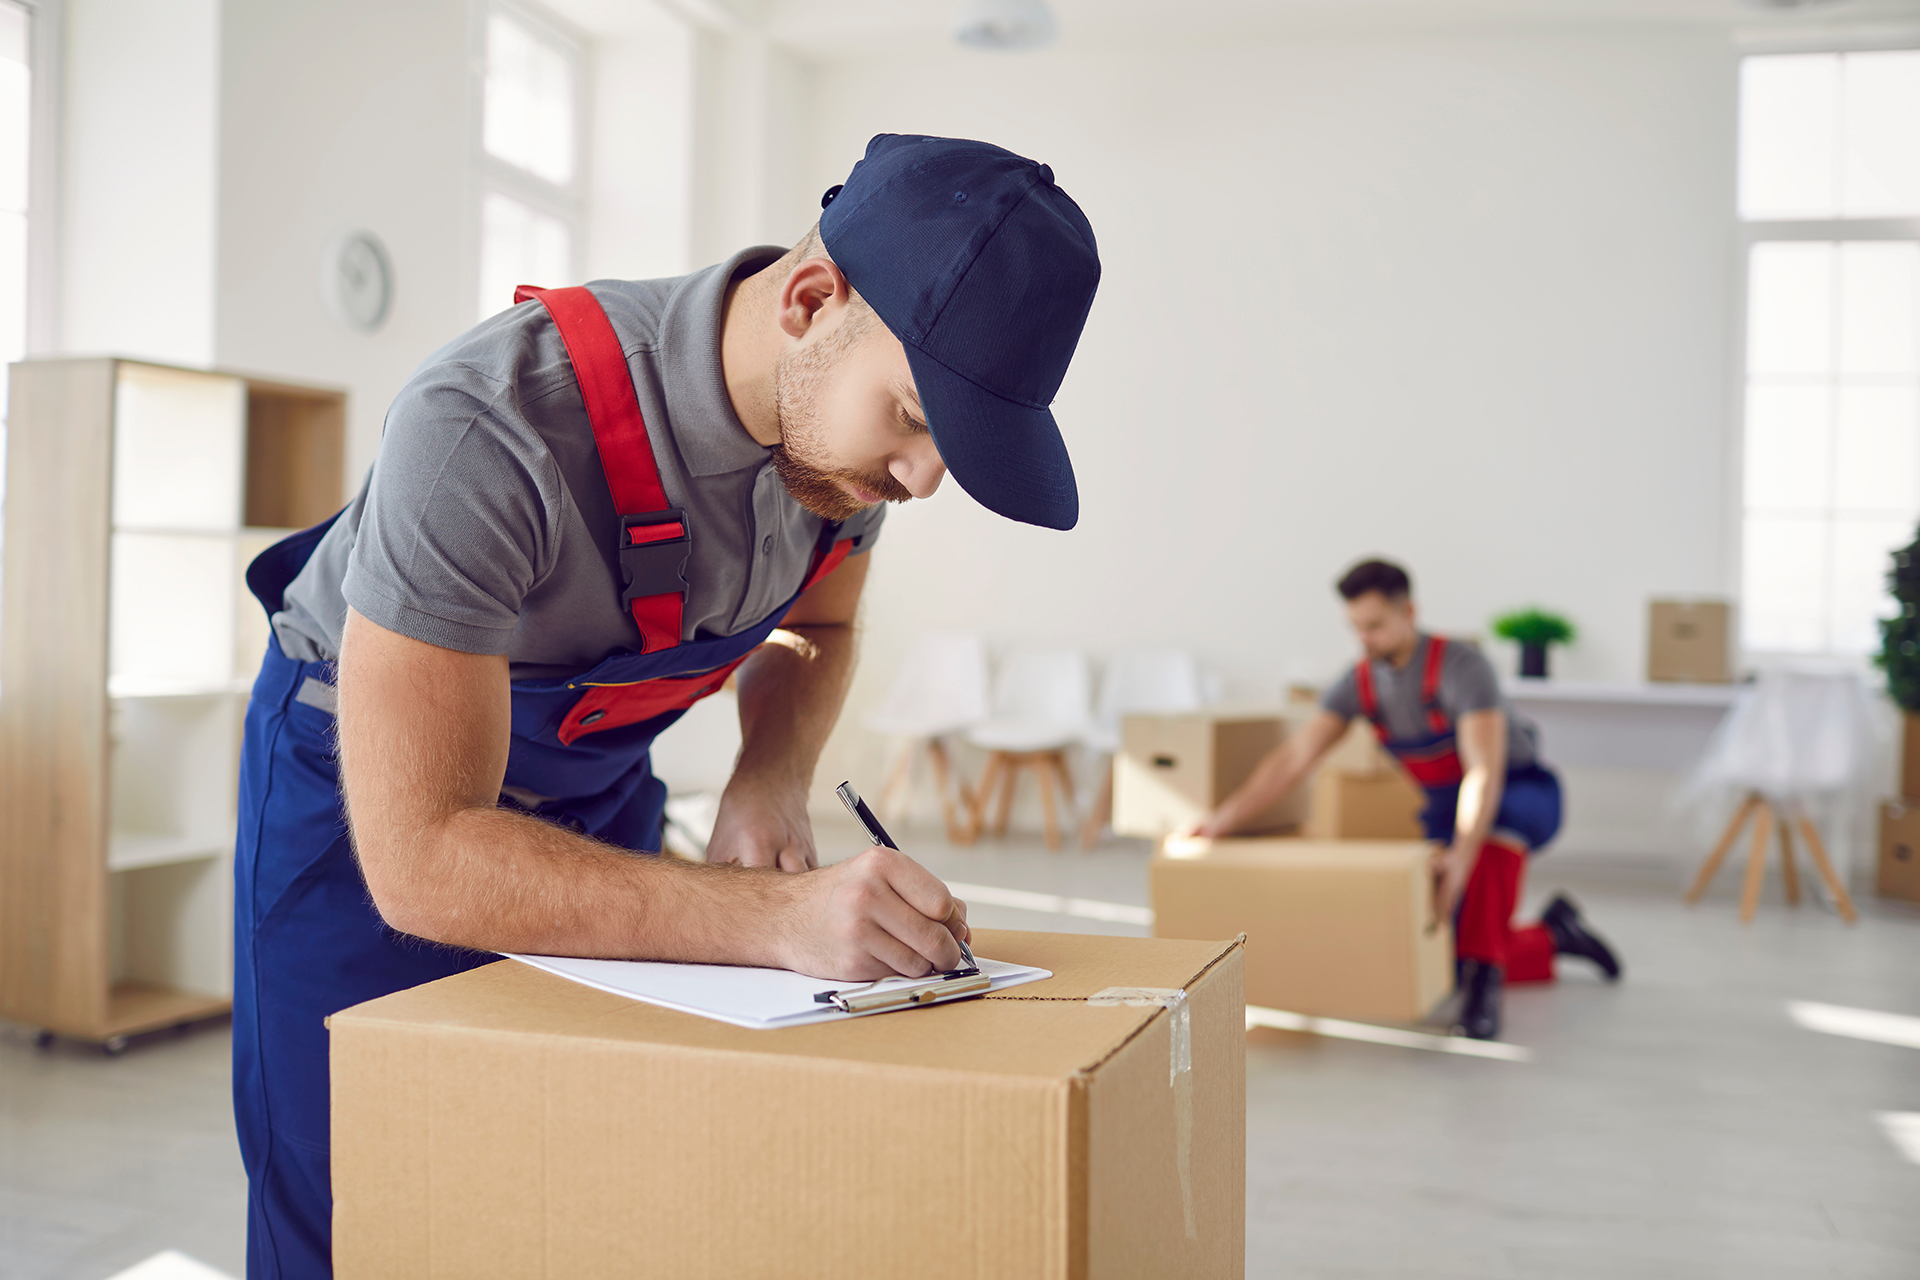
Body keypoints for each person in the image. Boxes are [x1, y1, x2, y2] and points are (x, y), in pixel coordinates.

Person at [232, 134, 1100, 1279]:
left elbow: (818, 628)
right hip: (361, 811)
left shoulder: (840, 461)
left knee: (582, 1172)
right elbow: (425, 856)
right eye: (915, 415)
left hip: (593, 795)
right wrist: (774, 921)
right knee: (359, 1186)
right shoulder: (489, 427)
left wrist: (769, 774)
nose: (922, 479)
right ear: (809, 300)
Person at [1188, 558, 1620, 1040]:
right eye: (1355, 628)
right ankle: (1553, 936)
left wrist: (1459, 859)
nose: (1364, 639)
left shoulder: (1462, 669)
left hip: (1518, 792)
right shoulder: (1358, 683)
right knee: (1437, 954)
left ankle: (1483, 989)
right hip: (1442, 807)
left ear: (1409, 612)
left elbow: (1483, 774)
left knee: (1492, 840)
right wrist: (1220, 822)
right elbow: (1294, 759)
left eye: (1374, 625)